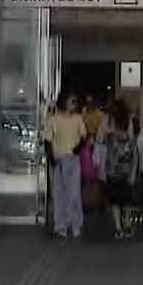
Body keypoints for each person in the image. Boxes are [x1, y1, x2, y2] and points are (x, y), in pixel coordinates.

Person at [45, 92, 86, 240]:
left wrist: (78, 148)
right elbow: (48, 140)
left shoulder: (78, 119)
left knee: (74, 193)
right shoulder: (54, 119)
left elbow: (83, 136)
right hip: (59, 160)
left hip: (73, 159)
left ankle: (75, 225)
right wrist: (52, 158)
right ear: (64, 102)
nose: (74, 104)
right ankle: (60, 226)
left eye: (75, 101)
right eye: (71, 101)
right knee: (59, 194)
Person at [98, 108, 138, 239]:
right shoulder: (113, 136)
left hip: (119, 173)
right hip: (117, 173)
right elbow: (100, 139)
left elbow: (134, 155)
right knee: (120, 201)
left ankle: (122, 226)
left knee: (121, 201)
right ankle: (122, 226)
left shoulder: (125, 137)